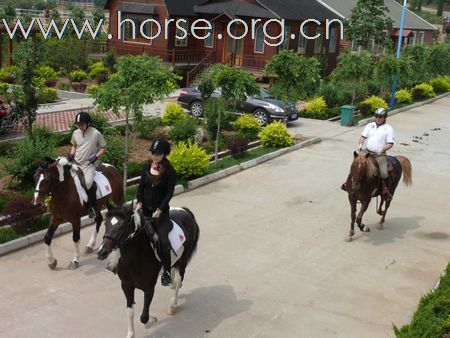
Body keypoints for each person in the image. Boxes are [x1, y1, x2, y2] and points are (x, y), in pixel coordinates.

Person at [136, 138, 176, 286]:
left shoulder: (170, 171)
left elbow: (169, 193)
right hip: (144, 210)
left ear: (164, 154)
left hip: (161, 213)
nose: (155, 157)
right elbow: (140, 187)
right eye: (153, 153)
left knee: (164, 242)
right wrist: (139, 201)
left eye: (158, 154)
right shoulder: (146, 167)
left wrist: (160, 209)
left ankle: (166, 272)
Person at [342, 108, 394, 199]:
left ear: (384, 117)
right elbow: (363, 136)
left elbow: (390, 143)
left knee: (384, 172)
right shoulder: (370, 125)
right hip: (367, 152)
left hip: (379, 154)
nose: (378, 118)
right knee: (355, 164)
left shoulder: (388, 129)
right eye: (376, 116)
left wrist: (382, 149)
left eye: (380, 117)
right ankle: (348, 184)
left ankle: (385, 189)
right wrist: (360, 144)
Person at [69, 112, 107, 218]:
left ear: (88, 123)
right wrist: (71, 154)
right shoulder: (76, 133)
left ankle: (93, 207)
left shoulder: (96, 133)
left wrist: (96, 156)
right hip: (76, 162)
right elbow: (74, 145)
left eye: (81, 124)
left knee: (89, 182)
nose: (79, 126)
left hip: (88, 164)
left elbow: (104, 147)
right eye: (78, 124)